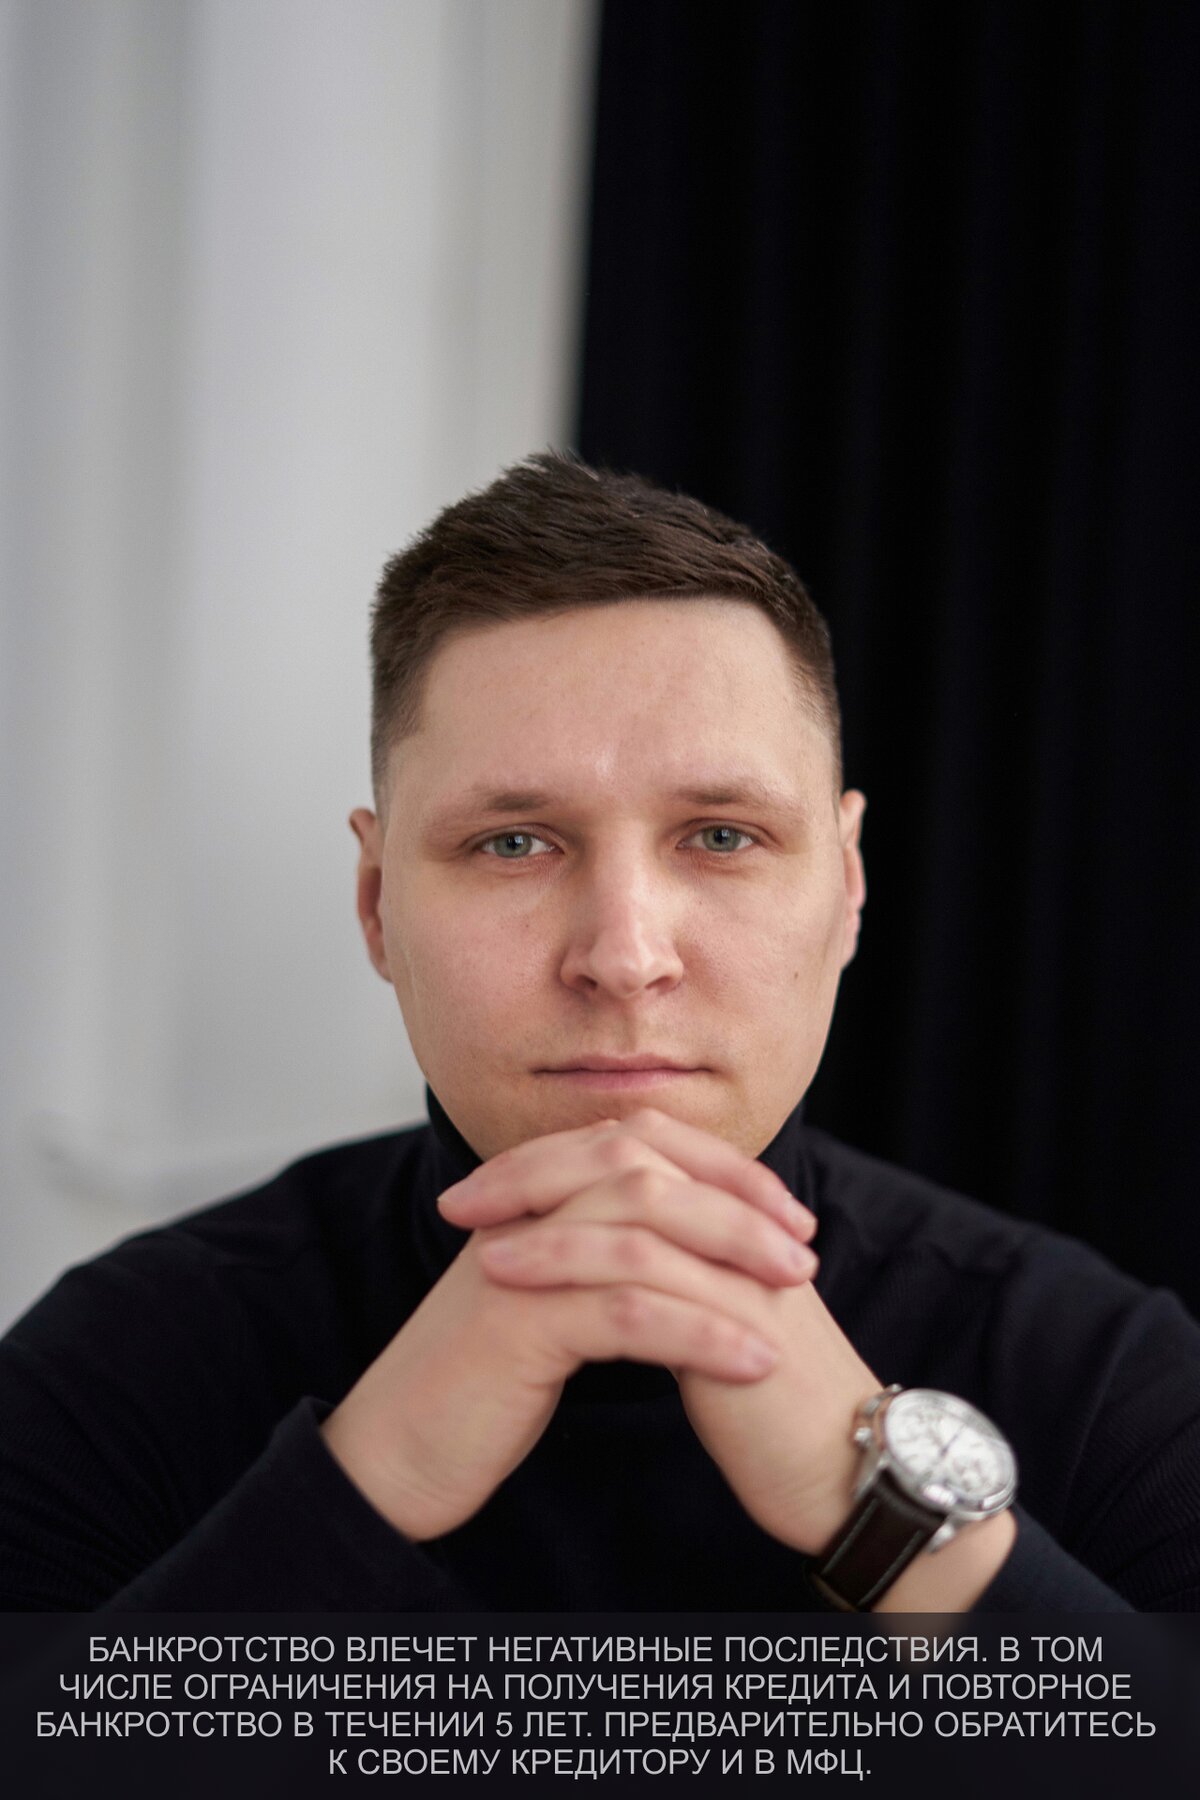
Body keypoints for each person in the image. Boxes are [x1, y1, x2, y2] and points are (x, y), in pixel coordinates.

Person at [3, 453, 1199, 1613]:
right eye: (513, 843)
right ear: (376, 905)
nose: (624, 958)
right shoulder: (122, 1367)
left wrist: (873, 1504)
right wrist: (368, 1480)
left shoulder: (1099, 1371)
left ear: (846, 888)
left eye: (722, 836)